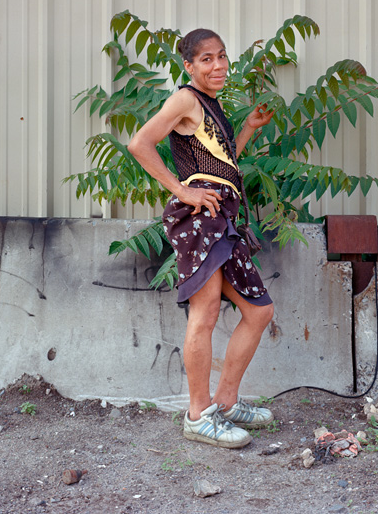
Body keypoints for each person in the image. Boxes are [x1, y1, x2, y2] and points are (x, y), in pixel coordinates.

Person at [128, 28, 276, 448]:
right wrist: (182, 190)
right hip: (200, 218)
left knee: (258, 312)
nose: (218, 66)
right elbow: (140, 143)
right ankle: (198, 415)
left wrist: (246, 128)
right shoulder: (185, 98)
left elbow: (220, 163)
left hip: (222, 217)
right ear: (189, 66)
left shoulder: (210, 105)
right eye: (207, 59)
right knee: (206, 312)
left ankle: (226, 402)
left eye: (222, 57)